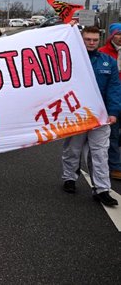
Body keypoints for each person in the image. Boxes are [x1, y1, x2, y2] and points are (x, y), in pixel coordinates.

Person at [61, 26, 119, 207]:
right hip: (76, 114)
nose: (92, 43)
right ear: (81, 39)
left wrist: (113, 112)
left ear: (100, 39)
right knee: (73, 149)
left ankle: (101, 189)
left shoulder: (108, 62)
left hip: (100, 116)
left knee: (100, 153)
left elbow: (114, 89)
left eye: (94, 40)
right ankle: (69, 178)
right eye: (88, 39)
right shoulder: (70, 60)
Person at [98, 22, 121, 180]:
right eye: (118, 34)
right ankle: (115, 166)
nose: (120, 38)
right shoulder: (103, 53)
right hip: (112, 99)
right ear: (112, 35)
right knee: (112, 134)